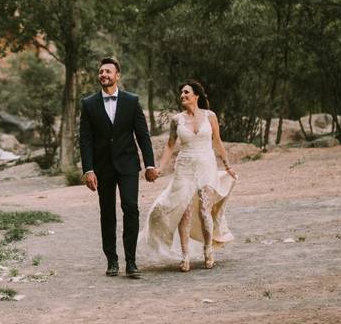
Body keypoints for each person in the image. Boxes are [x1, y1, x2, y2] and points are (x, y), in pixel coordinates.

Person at [139, 80, 237, 272]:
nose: (182, 95)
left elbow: (217, 142)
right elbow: (169, 145)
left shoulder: (210, 116)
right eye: (181, 93)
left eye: (186, 92)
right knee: (184, 210)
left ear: (196, 95)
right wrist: (160, 167)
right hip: (184, 167)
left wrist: (227, 166)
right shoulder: (177, 120)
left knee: (204, 208)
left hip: (206, 164)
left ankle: (208, 250)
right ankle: (185, 257)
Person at [80, 57, 156, 279]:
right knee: (107, 212)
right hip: (102, 167)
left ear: (117, 75)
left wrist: (149, 164)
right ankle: (112, 260)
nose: (103, 74)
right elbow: (85, 139)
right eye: (101, 71)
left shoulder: (131, 101)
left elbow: (142, 134)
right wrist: (88, 170)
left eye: (108, 71)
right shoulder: (89, 103)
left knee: (131, 208)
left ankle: (131, 262)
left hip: (128, 164)